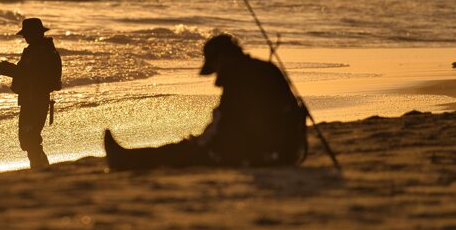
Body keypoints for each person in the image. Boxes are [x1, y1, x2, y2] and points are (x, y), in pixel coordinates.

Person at [104, 34, 307, 170]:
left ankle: (124, 160)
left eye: (215, 66)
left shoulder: (238, 79)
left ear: (221, 59)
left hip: (263, 153)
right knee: (189, 149)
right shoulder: (265, 68)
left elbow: (226, 122)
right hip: (287, 149)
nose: (216, 73)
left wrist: (199, 143)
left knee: (182, 153)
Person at [0, 18, 62, 169]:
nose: (25, 38)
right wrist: (7, 68)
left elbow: (29, 74)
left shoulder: (41, 52)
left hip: (34, 100)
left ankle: (39, 167)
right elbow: (26, 72)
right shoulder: (41, 49)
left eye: (27, 34)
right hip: (33, 99)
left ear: (36, 33)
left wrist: (5, 70)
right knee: (30, 138)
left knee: (29, 138)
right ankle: (41, 166)